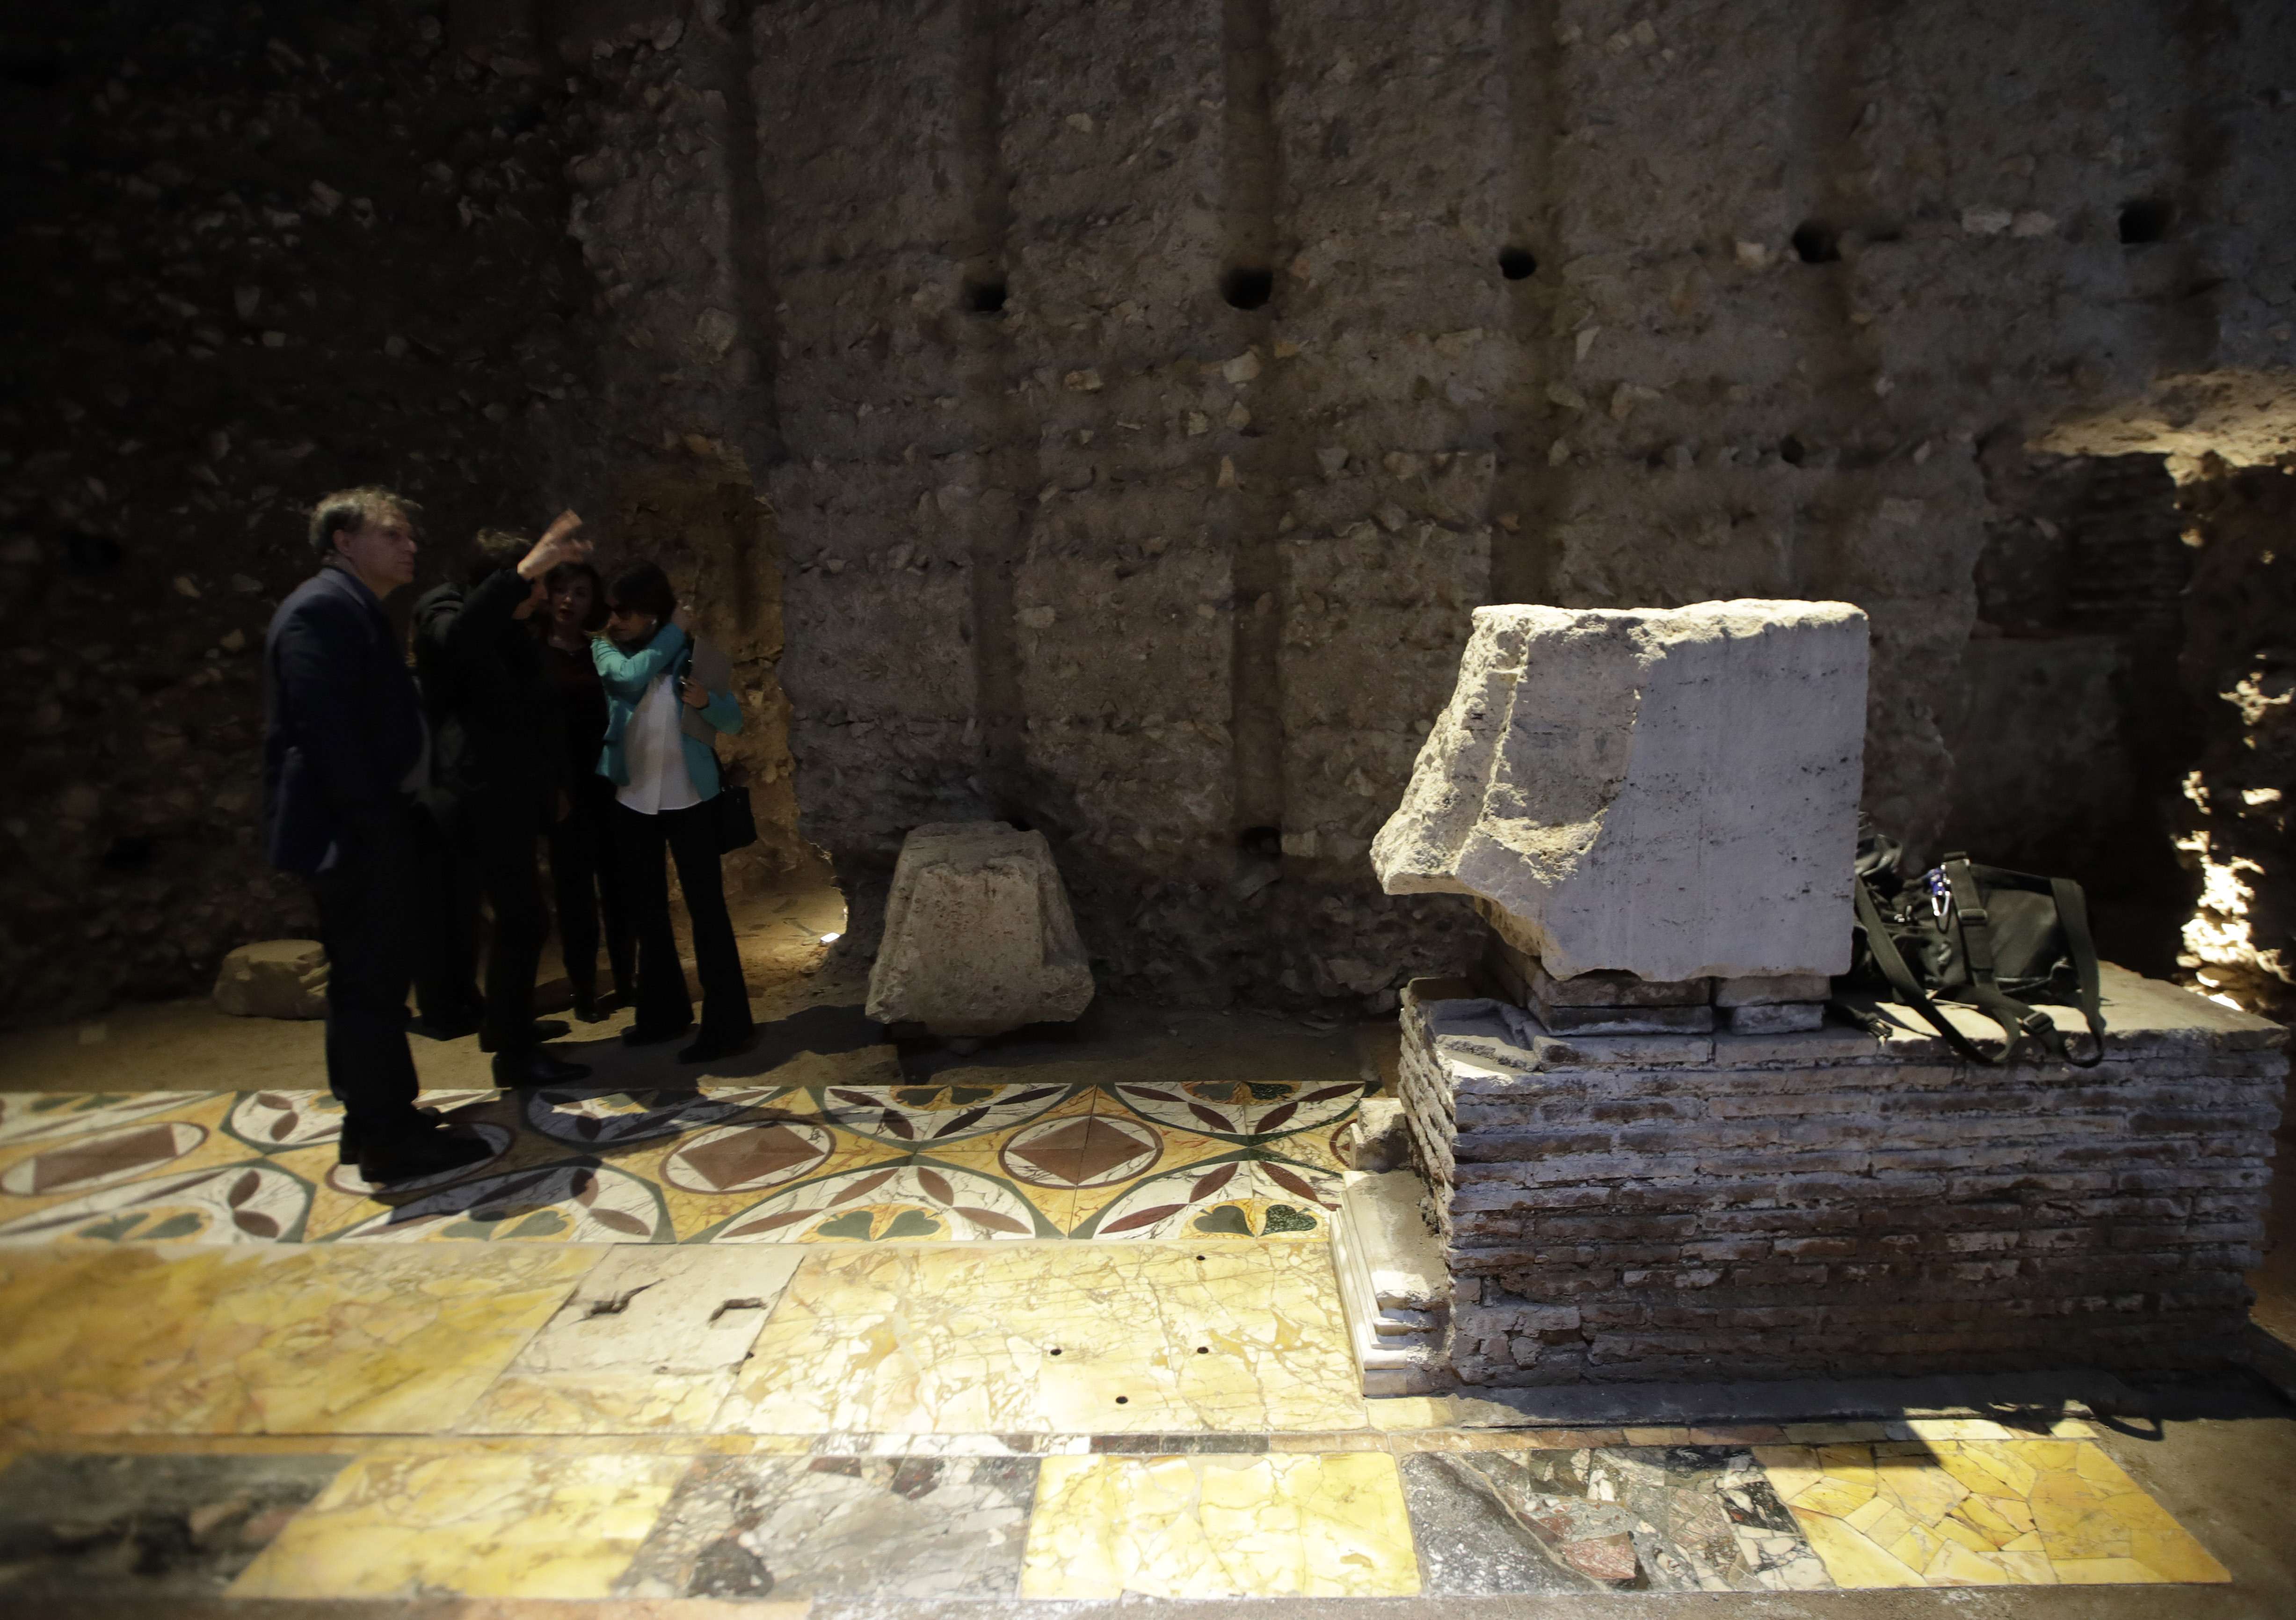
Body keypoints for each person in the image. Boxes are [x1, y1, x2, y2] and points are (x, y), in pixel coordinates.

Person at [261, 487, 490, 1183]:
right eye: (393, 533)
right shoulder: (322, 609)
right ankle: (389, 1138)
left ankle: (372, 1120)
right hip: (356, 831)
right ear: (342, 540)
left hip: (368, 823)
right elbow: (325, 731)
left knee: (374, 981)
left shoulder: (353, 608)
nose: (410, 544)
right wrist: (378, 820)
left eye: (410, 535)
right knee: (370, 981)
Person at [412, 517, 596, 1087]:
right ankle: (513, 1054)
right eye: (538, 584)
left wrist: (555, 786)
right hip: (473, 798)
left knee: (522, 920)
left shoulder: (514, 630)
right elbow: (458, 640)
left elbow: (537, 711)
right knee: (520, 920)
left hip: (510, 797)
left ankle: (504, 1026)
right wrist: (522, 574)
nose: (544, 596)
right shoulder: (446, 610)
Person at [595, 561, 755, 1064]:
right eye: (614, 611)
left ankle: (727, 1026)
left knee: (707, 910)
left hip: (691, 798)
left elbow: (734, 721)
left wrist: (707, 701)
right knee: (647, 911)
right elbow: (627, 681)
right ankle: (662, 1016)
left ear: (651, 616)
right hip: (633, 800)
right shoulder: (609, 652)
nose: (614, 620)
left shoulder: (692, 657)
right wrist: (673, 633)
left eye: (626, 613)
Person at [538, 559, 633, 1021]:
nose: (569, 600)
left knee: (619, 886)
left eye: (580, 592)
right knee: (574, 893)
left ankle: (627, 981)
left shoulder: (600, 651)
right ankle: (583, 990)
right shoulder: (535, 654)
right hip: (565, 789)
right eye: (561, 590)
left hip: (607, 781)